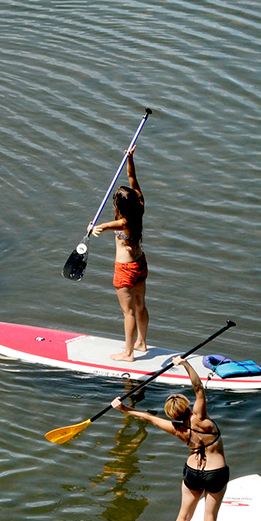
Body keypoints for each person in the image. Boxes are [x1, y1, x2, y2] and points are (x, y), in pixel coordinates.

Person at [111, 356, 228, 521]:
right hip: (215, 471)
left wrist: (123, 409)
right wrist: (185, 364)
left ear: (171, 413)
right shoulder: (200, 419)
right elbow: (198, 387)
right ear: (187, 407)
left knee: (183, 515)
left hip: (193, 471)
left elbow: (147, 417)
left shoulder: (176, 429)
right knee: (209, 519)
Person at [91, 147, 148, 361]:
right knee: (141, 304)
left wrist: (93, 228)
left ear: (120, 206)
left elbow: (104, 226)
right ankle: (141, 343)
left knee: (128, 312)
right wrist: (129, 159)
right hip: (140, 263)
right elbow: (132, 177)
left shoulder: (122, 222)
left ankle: (129, 353)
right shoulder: (140, 205)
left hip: (125, 270)